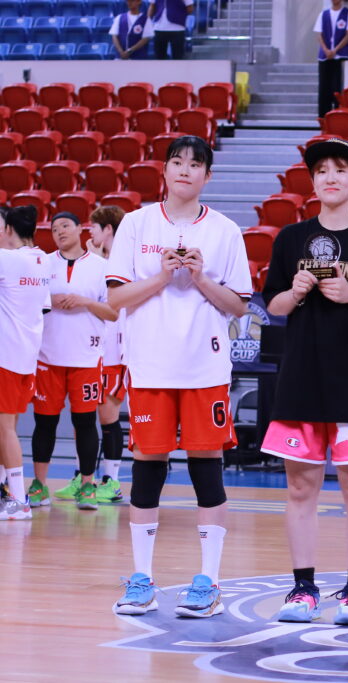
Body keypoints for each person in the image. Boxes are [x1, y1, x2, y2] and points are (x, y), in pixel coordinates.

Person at [107, 136, 251, 617]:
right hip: (149, 365)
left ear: (208, 175)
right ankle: (142, 579)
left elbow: (238, 307)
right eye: (177, 161)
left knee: (206, 465)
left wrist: (202, 278)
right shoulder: (136, 224)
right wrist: (163, 277)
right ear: (165, 171)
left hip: (204, 366)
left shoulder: (225, 231)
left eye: (195, 164)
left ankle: (209, 581)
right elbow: (116, 299)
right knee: (147, 466)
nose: (185, 169)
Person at [260, 139, 348, 625]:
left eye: (341, 169)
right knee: (300, 488)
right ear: (313, 182)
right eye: (322, 170)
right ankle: (303, 588)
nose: (331, 177)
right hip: (301, 378)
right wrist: (296, 292)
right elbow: (273, 306)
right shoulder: (289, 239)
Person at [28, 212, 117, 511]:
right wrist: (49, 301)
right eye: (54, 229)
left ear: (81, 229)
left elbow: (113, 313)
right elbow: (26, 304)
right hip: (47, 357)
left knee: (85, 422)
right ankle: (39, 485)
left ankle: (88, 486)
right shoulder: (42, 265)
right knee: (45, 423)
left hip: (86, 358)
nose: (59, 232)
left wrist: (85, 302)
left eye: (65, 226)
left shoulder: (102, 267)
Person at [0, 206, 50, 521]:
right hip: (26, 356)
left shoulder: (7, 259)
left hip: (6, 355)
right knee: (7, 427)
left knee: (5, 429)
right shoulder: (42, 260)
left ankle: (18, 502)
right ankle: (8, 494)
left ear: (8, 229)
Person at [88, 206, 129, 502]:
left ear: (108, 230)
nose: (89, 232)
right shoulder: (98, 261)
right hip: (94, 349)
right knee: (86, 416)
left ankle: (112, 481)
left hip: (117, 349)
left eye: (94, 227)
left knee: (108, 416)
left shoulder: (124, 261)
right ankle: (86, 477)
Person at [315, 0, 348, 118]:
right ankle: (324, 117)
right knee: (324, 89)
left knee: (338, 88)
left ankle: (338, 116)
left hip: (340, 56)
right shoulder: (323, 14)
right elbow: (319, 34)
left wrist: (335, 50)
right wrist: (326, 49)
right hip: (325, 57)